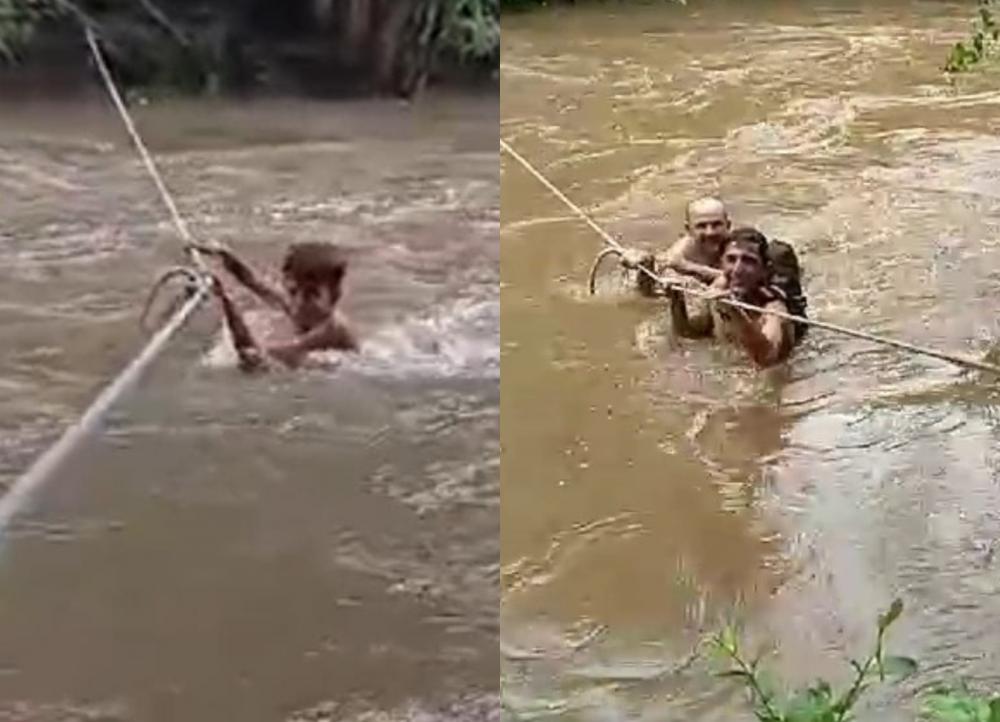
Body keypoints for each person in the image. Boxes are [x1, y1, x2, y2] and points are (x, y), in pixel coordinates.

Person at [192, 240, 359, 372]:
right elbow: (253, 281)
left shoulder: (332, 329)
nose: (298, 303)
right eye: (293, 292)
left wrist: (226, 302)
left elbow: (255, 355)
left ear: (336, 295)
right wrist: (225, 255)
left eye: (311, 295)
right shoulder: (298, 305)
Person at [666, 227, 797, 367]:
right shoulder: (719, 288)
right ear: (720, 263)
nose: (737, 270)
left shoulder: (774, 307)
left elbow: (765, 359)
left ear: (764, 269)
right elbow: (691, 333)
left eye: (749, 261)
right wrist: (676, 300)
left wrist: (735, 312)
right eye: (731, 259)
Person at [622, 196, 732, 295]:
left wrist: (688, 267)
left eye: (717, 224)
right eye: (701, 226)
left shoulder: (740, 244)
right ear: (688, 229)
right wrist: (645, 267)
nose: (710, 232)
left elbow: (744, 281)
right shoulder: (680, 253)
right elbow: (651, 293)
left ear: (728, 225)